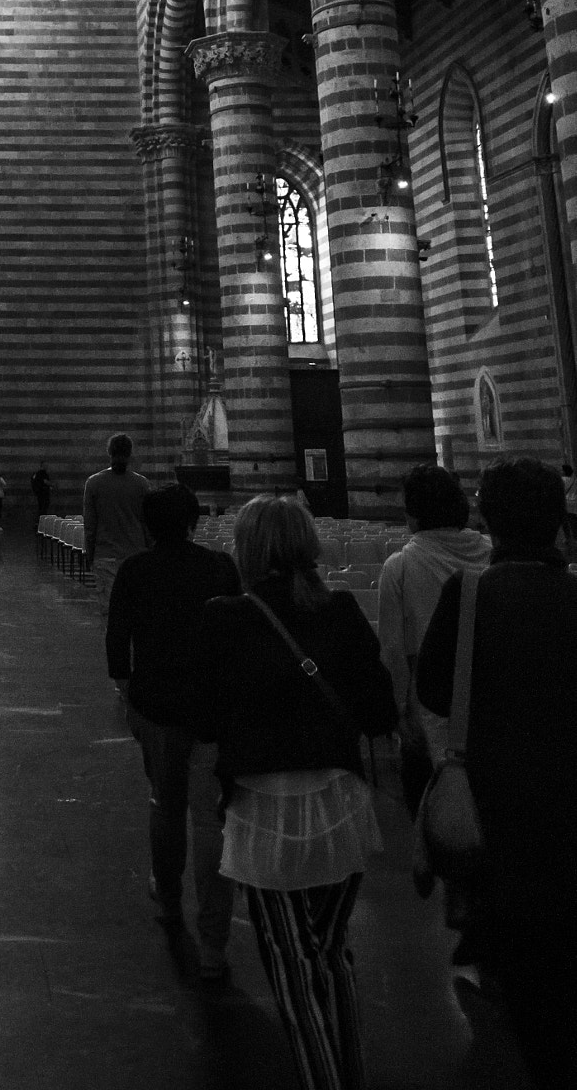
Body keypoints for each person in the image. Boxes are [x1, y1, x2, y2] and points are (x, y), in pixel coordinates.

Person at [191, 496, 396, 1090]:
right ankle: (348, 1071)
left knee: (291, 965)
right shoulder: (342, 610)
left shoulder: (223, 617)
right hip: (340, 807)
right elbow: (379, 709)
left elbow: (205, 722)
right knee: (333, 954)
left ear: (248, 550)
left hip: (266, 811)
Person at [417, 456, 577, 1089]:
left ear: (488, 516)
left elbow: (433, 688)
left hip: (501, 815)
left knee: (523, 984)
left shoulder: (472, 591)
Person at [107, 482, 241, 980]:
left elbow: (117, 640)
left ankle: (167, 900)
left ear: (147, 525)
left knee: (165, 802)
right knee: (210, 821)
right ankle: (213, 945)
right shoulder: (221, 568)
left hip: (157, 706)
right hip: (211, 708)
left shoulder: (136, 570)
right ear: (194, 522)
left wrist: (128, 696)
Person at [376, 464, 489, 814]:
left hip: (430, 710)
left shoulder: (400, 566)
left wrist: (398, 713)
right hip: (492, 699)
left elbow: (393, 650)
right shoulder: (491, 552)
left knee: (435, 815)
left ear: (413, 513)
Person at [83, 434, 152, 614]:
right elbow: (148, 525)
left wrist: (91, 556)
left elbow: (90, 527)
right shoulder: (142, 484)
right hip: (136, 556)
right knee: (138, 614)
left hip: (105, 556)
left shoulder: (93, 483)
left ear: (109, 452)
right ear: (130, 454)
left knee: (111, 616)